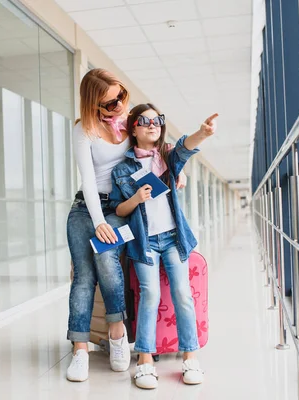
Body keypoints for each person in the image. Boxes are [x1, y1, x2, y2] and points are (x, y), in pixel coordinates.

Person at [66, 70, 187, 382]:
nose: (118, 105)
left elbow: (154, 148)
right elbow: (89, 182)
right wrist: (97, 222)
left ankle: (117, 333)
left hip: (121, 207)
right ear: (94, 104)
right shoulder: (84, 130)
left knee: (107, 259)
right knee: (83, 275)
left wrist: (177, 168)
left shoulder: (128, 125)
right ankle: (80, 350)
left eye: (121, 96)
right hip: (87, 207)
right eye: (109, 103)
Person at [109, 103, 218, 389]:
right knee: (150, 294)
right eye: (144, 121)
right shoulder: (122, 169)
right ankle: (145, 359)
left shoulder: (167, 158)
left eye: (157, 120)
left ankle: (190, 356)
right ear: (133, 128)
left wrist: (202, 133)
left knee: (183, 292)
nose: (152, 124)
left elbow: (186, 147)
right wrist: (136, 199)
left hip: (173, 238)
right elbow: (118, 210)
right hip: (145, 242)